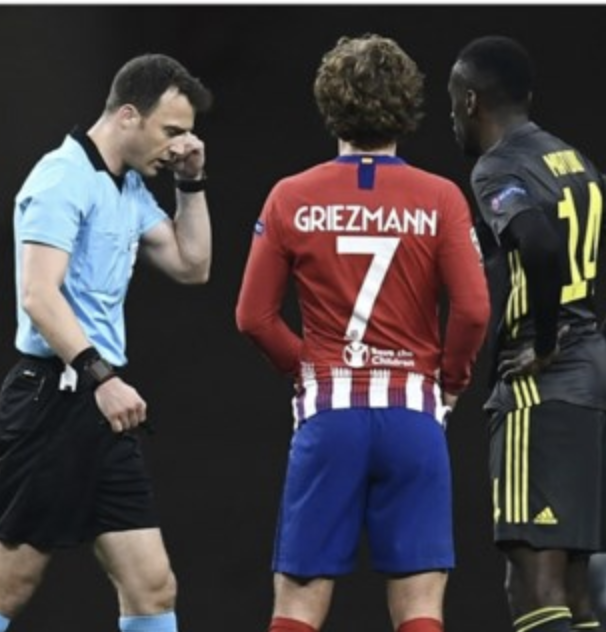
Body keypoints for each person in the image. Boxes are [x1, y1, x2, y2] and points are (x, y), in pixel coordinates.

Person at [236, 33, 490, 632]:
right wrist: (451, 383)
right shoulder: (440, 198)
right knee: (420, 602)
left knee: (298, 603)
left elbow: (253, 317)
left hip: (330, 415)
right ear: (406, 105)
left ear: (330, 104)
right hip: (412, 417)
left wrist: (308, 370)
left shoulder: (291, 197)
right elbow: (474, 310)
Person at [0, 53, 213, 632]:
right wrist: (104, 378)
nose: (179, 145)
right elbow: (38, 295)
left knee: (151, 586)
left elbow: (193, 264)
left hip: (100, 405)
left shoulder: (129, 188)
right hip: (55, 398)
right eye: (171, 130)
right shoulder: (62, 178)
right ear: (127, 116)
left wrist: (191, 182)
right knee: (9, 584)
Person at [448, 34, 606, 632]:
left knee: (532, 582)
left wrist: (542, 341)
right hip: (590, 378)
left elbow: (535, 241)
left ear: (469, 100)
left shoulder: (498, 167)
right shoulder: (575, 161)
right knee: (576, 588)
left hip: (541, 387)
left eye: (451, 100)